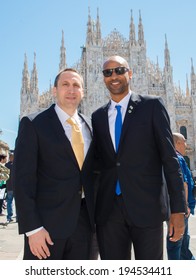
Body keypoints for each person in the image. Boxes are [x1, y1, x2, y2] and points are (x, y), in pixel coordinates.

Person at [91, 55, 186, 260]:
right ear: (103, 78)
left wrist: (177, 209)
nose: (113, 76)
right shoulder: (97, 116)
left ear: (130, 73)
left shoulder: (151, 106)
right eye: (108, 72)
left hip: (147, 208)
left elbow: (170, 160)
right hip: (109, 212)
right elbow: (97, 164)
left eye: (119, 70)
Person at [13, 68, 95, 260]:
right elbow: (22, 180)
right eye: (65, 85)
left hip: (84, 227)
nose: (71, 90)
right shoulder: (34, 123)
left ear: (83, 91)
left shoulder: (91, 126)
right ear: (54, 90)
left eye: (76, 86)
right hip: (45, 228)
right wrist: (32, 229)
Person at [167, 132, 196, 260]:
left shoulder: (176, 158)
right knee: (177, 242)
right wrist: (184, 206)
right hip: (181, 209)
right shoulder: (178, 159)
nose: (186, 144)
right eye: (184, 141)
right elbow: (182, 184)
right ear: (177, 143)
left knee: (182, 242)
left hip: (181, 208)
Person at [5, 151, 15, 223]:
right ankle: (18, 217)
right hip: (16, 186)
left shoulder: (6, 165)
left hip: (9, 186)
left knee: (9, 202)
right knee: (18, 202)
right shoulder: (17, 165)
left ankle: (9, 217)